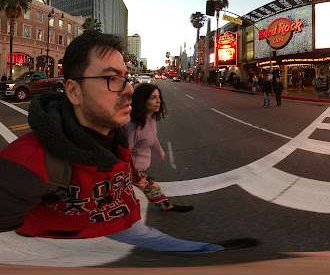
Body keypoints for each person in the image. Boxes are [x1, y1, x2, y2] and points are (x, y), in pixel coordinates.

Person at [0, 32, 255, 252]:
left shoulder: (116, 135)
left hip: (126, 222)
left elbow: (126, 167)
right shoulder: (28, 162)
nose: (129, 90)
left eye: (126, 78)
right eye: (111, 78)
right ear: (73, 91)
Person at [127, 83, 192, 213]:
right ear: (142, 100)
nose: (158, 101)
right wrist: (135, 175)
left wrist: (160, 151)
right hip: (131, 169)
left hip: (139, 169)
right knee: (147, 187)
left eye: (159, 97)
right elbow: (125, 153)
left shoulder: (150, 119)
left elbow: (153, 137)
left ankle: (165, 205)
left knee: (151, 187)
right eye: (153, 98)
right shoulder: (133, 126)